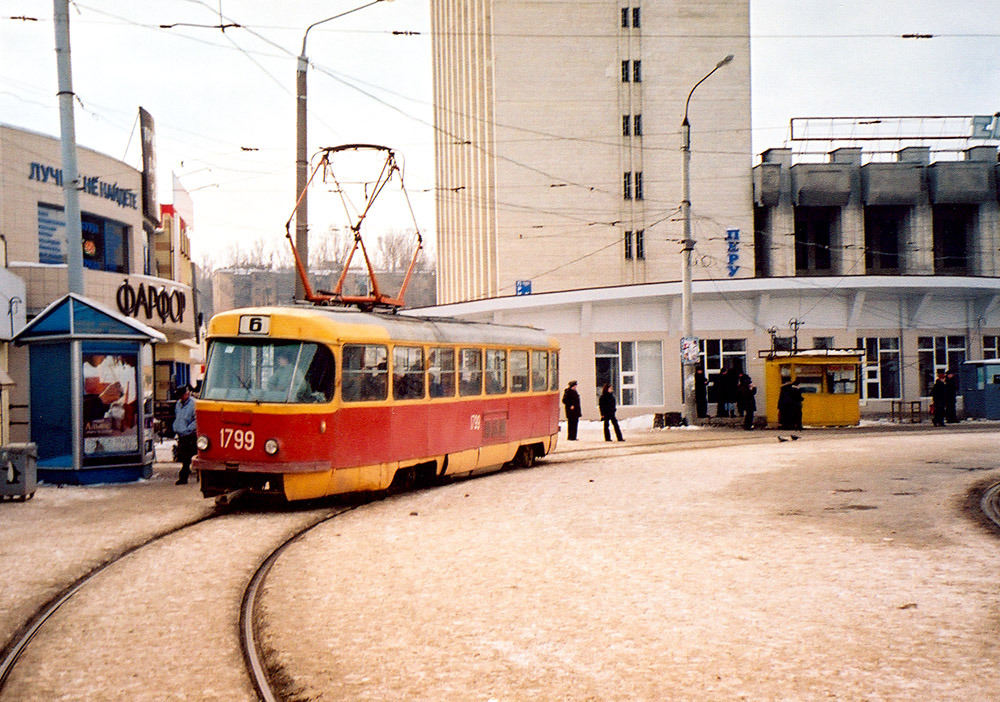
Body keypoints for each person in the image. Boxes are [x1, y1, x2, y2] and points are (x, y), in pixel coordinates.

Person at [172, 385, 198, 485]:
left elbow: (196, 420)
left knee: (188, 456)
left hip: (190, 435)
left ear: (187, 394)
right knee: (183, 457)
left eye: (182, 395)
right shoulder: (178, 404)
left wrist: (188, 429)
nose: (180, 397)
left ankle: (184, 477)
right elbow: (178, 417)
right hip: (181, 435)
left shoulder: (194, 404)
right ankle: (184, 476)